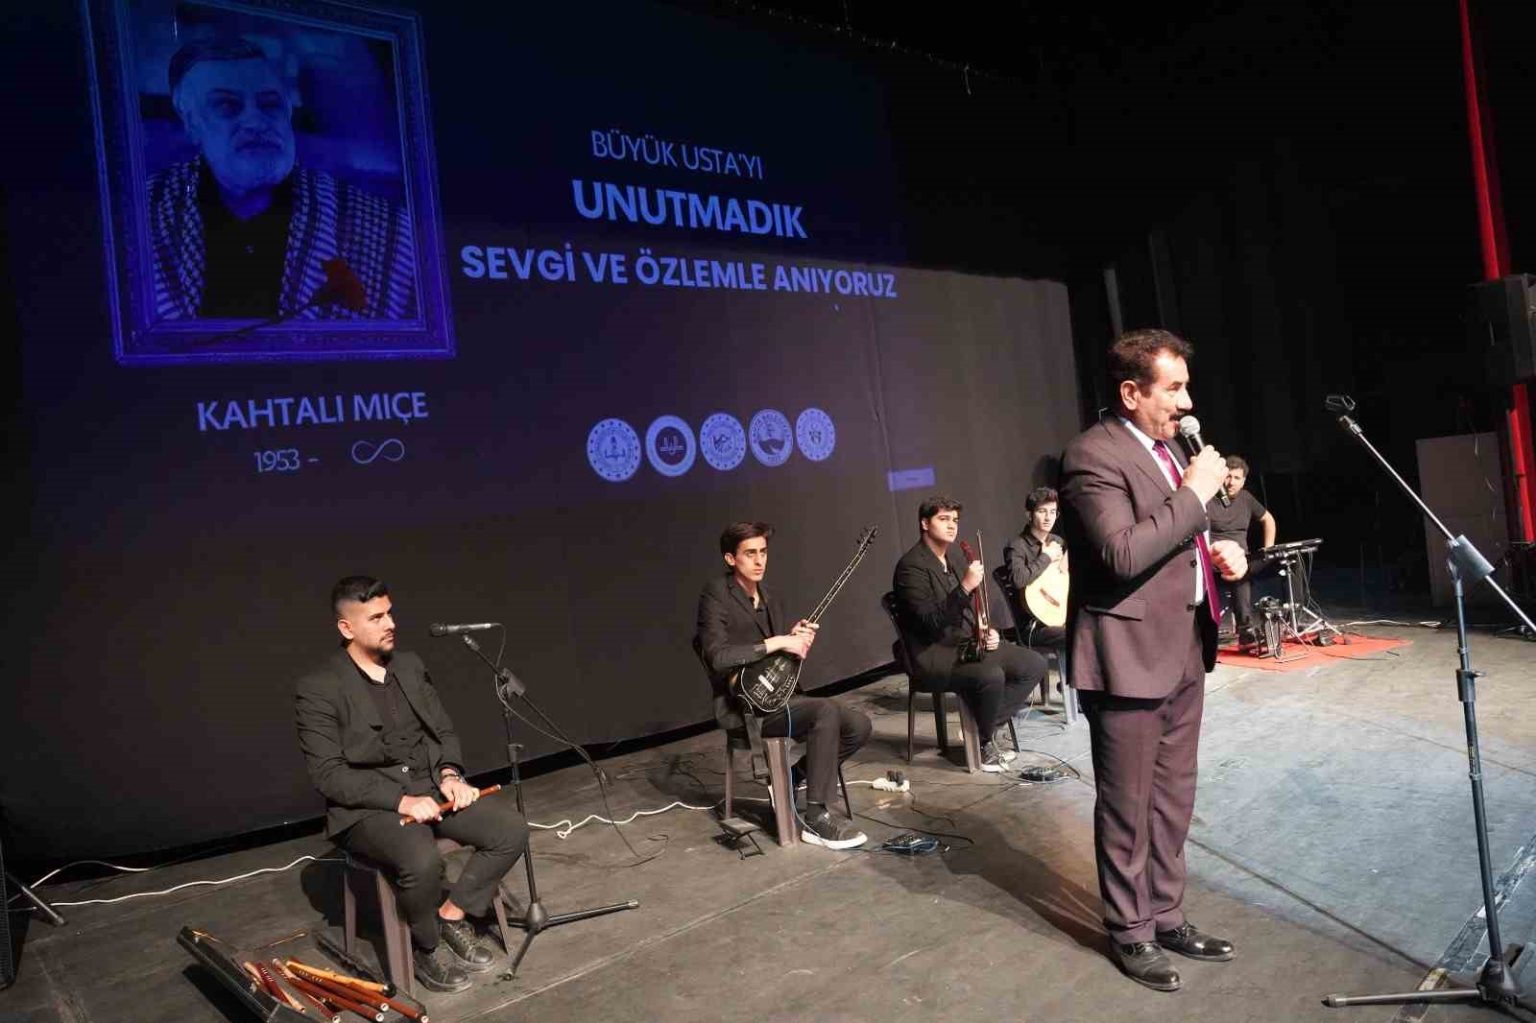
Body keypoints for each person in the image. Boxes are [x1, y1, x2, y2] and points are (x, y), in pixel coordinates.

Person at [1058, 329, 1247, 993]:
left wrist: (1221, 555)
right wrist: (1194, 495)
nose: (1187, 402)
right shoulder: (1091, 455)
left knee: (1172, 799)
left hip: (1184, 645)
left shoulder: (1172, 452)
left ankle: (1167, 915)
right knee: (1128, 805)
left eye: (1186, 387)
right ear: (1131, 392)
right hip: (1127, 656)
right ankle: (1130, 929)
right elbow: (1122, 553)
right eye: (1174, 388)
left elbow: (1179, 538)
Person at [296, 576, 528, 993]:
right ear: (346, 628)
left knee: (509, 829)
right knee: (422, 861)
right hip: (369, 807)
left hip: (429, 786)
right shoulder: (319, 687)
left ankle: (450, 915)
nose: (390, 624)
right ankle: (426, 945)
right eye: (376, 618)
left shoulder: (409, 666)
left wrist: (450, 775)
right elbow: (328, 774)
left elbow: (442, 731)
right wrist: (400, 800)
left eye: (390, 613)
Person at [148, 37, 417, 321]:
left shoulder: (388, 230)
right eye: (227, 105)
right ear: (191, 123)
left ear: (288, 111)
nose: (256, 121)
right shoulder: (146, 213)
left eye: (269, 104)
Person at [694, 522, 872, 849]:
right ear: (731, 559)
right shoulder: (716, 594)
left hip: (778, 698)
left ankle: (791, 779)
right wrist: (778, 641)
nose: (759, 560)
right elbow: (718, 657)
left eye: (763, 552)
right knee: (824, 711)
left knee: (858, 726)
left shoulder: (770, 597)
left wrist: (796, 641)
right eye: (750, 553)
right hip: (744, 709)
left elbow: (779, 661)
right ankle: (816, 818)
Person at [892, 496, 1049, 771]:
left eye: (954, 520)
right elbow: (931, 623)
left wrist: (987, 631)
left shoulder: (953, 558)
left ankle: (981, 730)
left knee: (1034, 663)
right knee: (990, 675)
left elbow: (968, 611)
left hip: (964, 644)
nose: (952, 525)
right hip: (933, 653)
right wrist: (964, 587)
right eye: (943, 519)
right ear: (925, 523)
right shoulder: (911, 567)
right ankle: (983, 744)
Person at [1205, 455, 1277, 645]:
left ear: (1243, 481)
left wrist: (1268, 548)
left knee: (1287, 557)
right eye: (1228, 477)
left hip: (1241, 561)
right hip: (1213, 561)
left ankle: (1282, 617)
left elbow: (1268, 519)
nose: (1231, 482)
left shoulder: (1246, 498)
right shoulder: (1208, 498)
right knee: (1239, 575)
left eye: (1237, 478)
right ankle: (1244, 629)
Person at [1003, 486, 1069, 650]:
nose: (1048, 518)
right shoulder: (1017, 547)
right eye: (1042, 511)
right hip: (1033, 627)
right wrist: (1046, 557)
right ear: (1029, 514)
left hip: (1058, 615)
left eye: (1052, 512)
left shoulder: (1058, 542)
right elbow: (1018, 580)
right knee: (1076, 634)